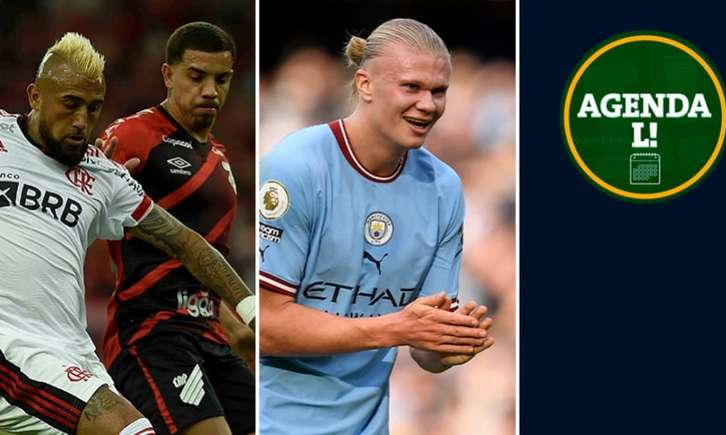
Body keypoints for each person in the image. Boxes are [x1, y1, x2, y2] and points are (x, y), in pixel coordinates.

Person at [0, 32, 254, 435]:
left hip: (74, 357)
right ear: (34, 96)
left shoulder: (104, 175)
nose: (82, 121)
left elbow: (185, 241)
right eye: (70, 105)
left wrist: (249, 307)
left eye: (93, 107)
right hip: (16, 343)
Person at [259, 18, 495, 434]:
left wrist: (450, 342)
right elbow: (265, 325)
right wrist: (395, 328)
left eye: (439, 91)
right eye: (412, 87)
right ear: (365, 84)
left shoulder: (443, 188)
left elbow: (423, 351)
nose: (428, 104)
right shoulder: (297, 166)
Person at [97, 22, 254, 435]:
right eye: (196, 76)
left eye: (221, 79)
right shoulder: (132, 134)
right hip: (151, 331)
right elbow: (81, 199)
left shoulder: (219, 156)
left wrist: (236, 324)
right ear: (169, 75)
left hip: (210, 334)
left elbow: (205, 261)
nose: (210, 91)